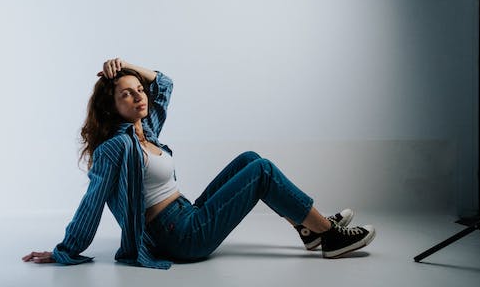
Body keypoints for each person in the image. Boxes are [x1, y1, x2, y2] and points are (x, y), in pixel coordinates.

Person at [22, 58, 376, 269]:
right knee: (262, 170)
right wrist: (64, 250)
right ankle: (328, 236)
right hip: (179, 237)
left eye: (138, 89)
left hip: (186, 215)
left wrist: (124, 64)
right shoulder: (115, 147)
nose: (138, 95)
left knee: (249, 160)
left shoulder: (148, 129)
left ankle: (307, 229)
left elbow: (166, 83)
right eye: (125, 93)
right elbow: (92, 202)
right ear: (111, 106)